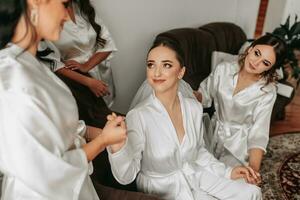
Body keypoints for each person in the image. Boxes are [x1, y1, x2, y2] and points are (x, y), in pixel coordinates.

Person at [0, 1, 158, 200]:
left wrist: (98, 133)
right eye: (64, 4)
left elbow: (53, 127)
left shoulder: (30, 64)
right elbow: (45, 172)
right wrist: (102, 142)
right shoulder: (13, 79)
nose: (67, 15)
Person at [107, 38, 262, 200]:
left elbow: (199, 151)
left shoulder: (193, 107)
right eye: (151, 65)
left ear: (181, 72)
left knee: (252, 192)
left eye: (166, 65)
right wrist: (118, 148)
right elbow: (126, 176)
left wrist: (228, 171)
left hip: (193, 172)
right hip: (162, 189)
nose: (157, 72)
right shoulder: (139, 116)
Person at [193, 34, 287, 172]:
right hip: (211, 135)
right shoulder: (223, 69)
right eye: (257, 53)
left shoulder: (267, 91)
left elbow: (259, 133)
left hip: (239, 147)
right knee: (198, 173)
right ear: (250, 49)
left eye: (265, 63)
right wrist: (188, 94)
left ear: (270, 68)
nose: (256, 62)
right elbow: (205, 96)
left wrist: (254, 168)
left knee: (228, 183)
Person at [40, 0, 117, 128]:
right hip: (74, 80)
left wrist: (87, 65)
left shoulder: (83, 7)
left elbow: (108, 43)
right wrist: (88, 81)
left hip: (100, 69)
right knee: (90, 120)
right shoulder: (46, 15)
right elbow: (52, 63)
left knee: (107, 115)